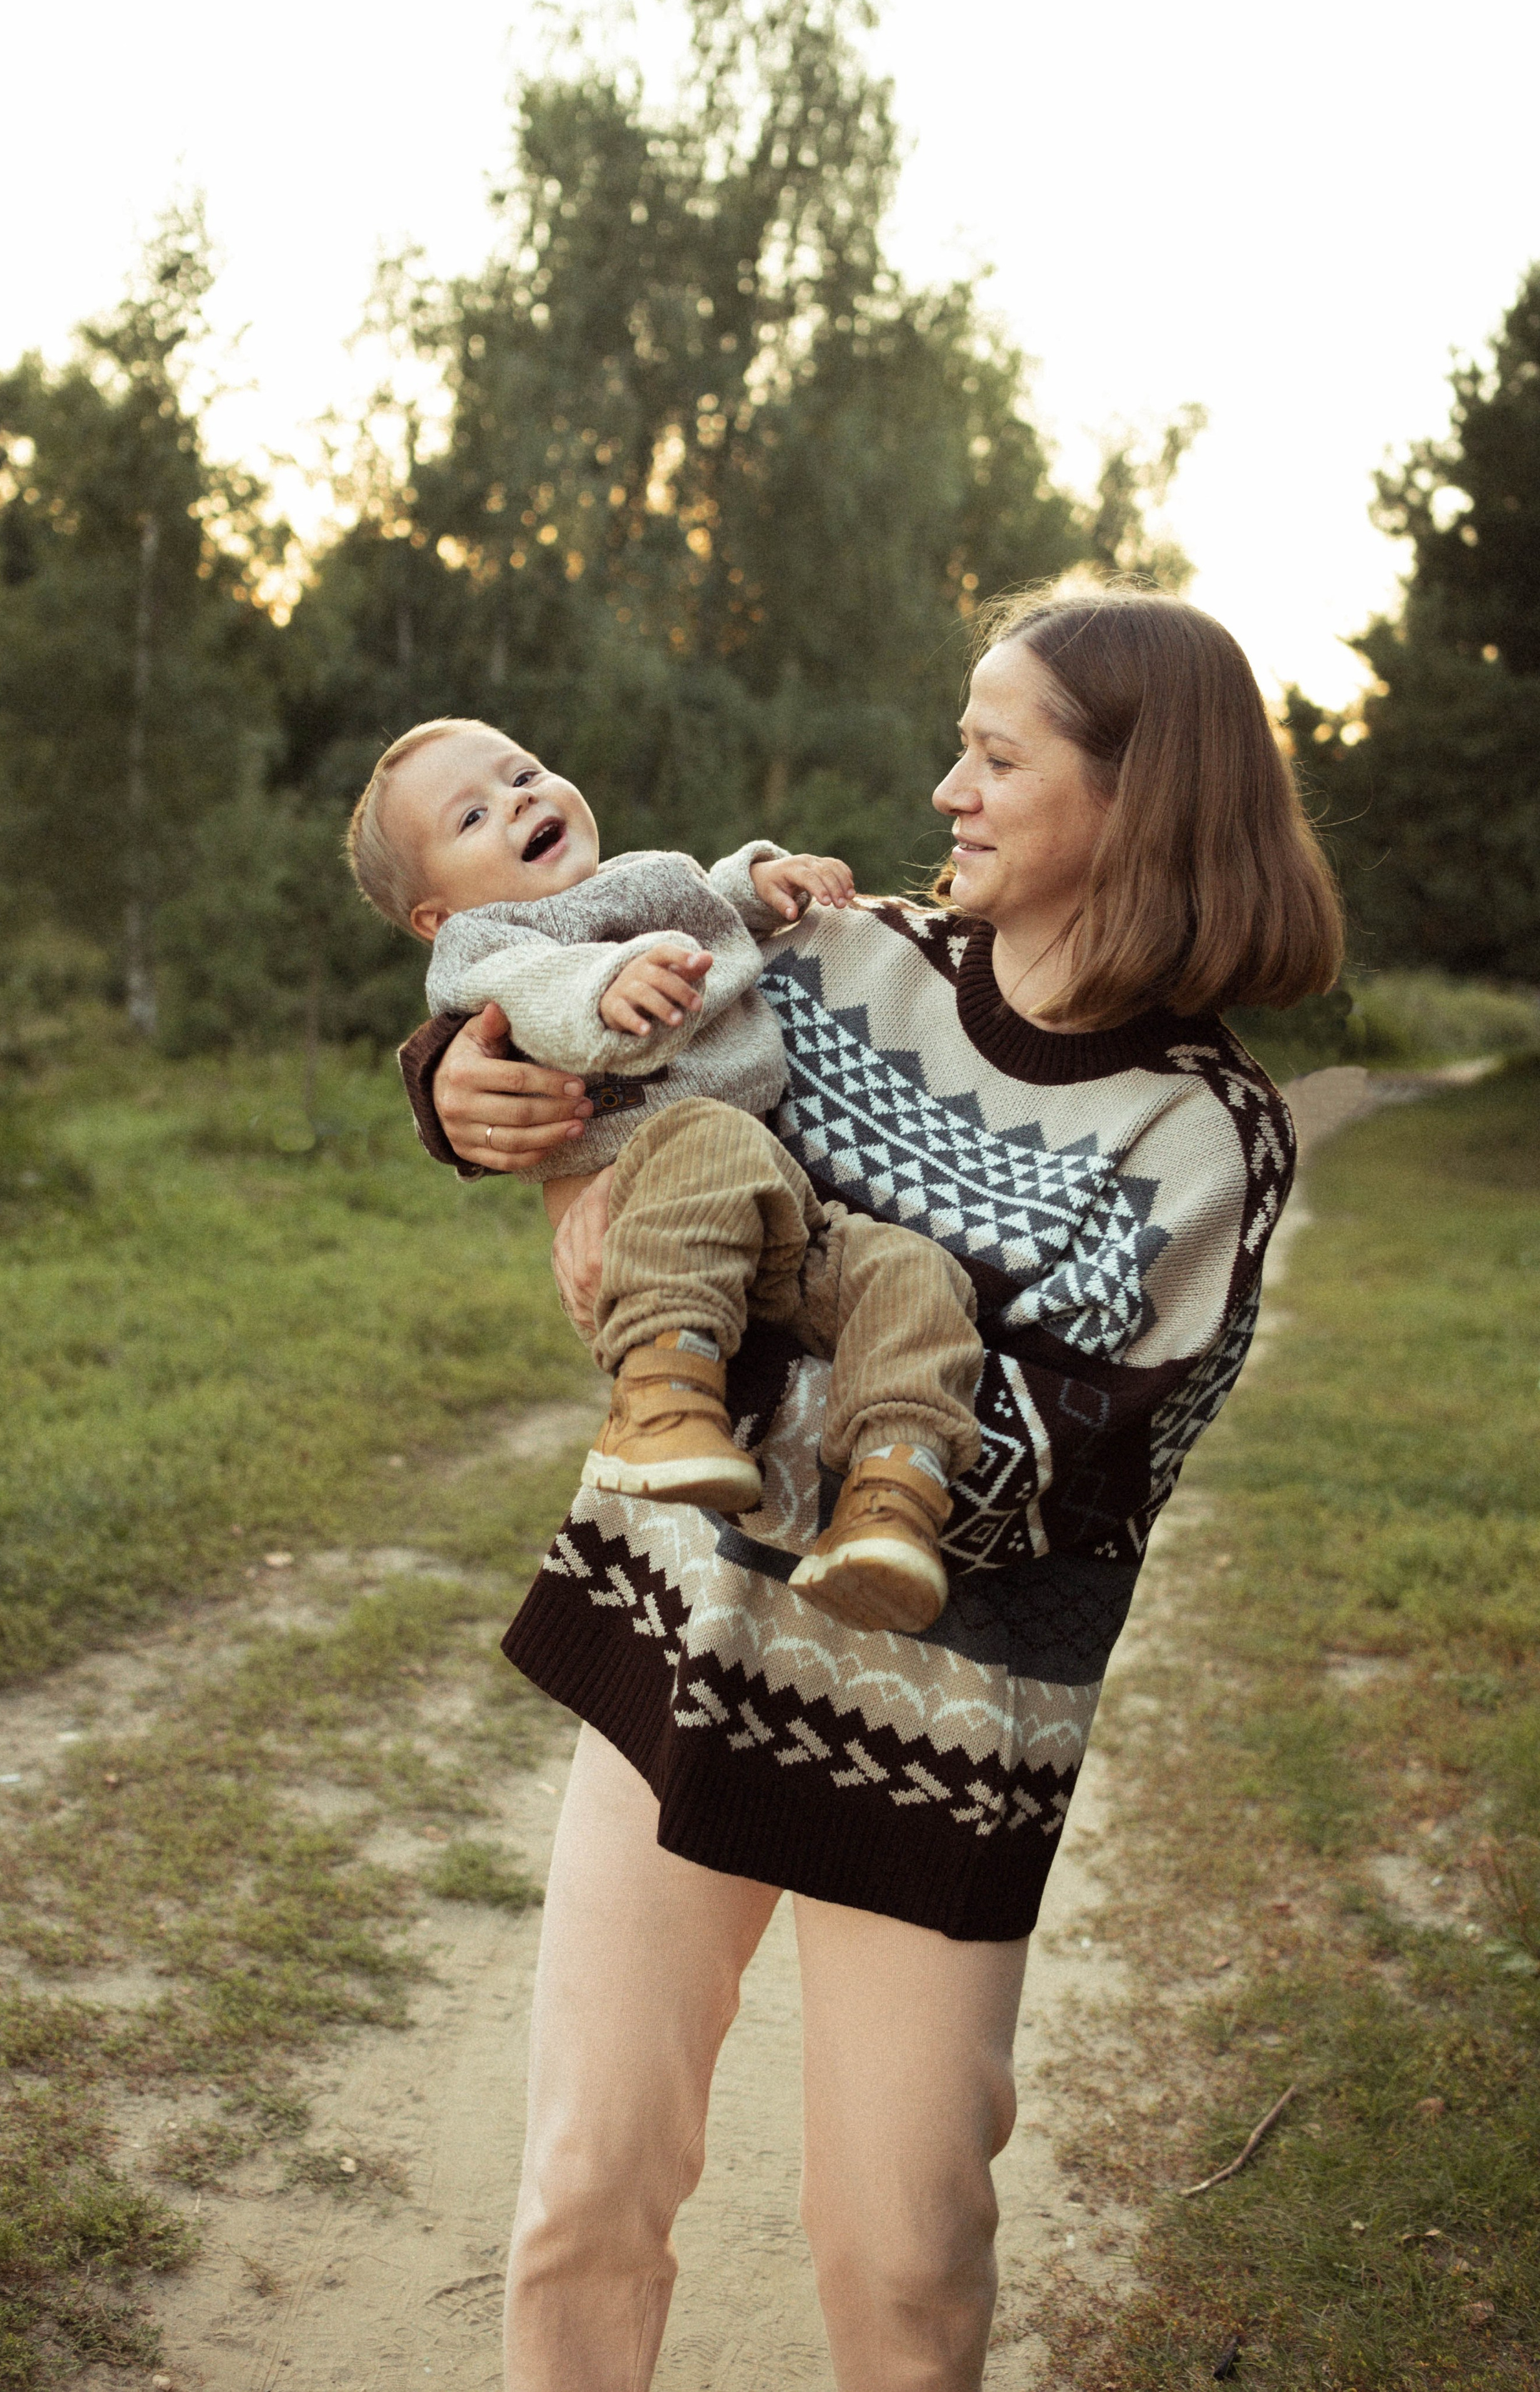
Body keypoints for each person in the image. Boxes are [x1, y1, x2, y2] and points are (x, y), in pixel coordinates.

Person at [399, 586, 1345, 2392]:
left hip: (938, 1734)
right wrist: (460, 1081)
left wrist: (697, 1323)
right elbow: (573, 972)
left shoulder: (1203, 1133)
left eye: (995, 755)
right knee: (587, 2190)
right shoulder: (843, 958)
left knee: (902, 2255)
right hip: (677, 1635)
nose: (947, 787)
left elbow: (1050, 1475)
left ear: (1138, 803)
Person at [346, 718, 986, 1624]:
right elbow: (531, 990)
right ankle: (664, 1402)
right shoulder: (487, 945)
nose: (522, 798)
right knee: (703, 1134)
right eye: (475, 816)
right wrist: (599, 991)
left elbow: (701, 900)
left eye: (525, 771)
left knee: (918, 1275)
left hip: (769, 1213)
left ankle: (894, 1498)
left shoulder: (639, 881)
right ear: (437, 917)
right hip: (655, 1224)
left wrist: (761, 885)